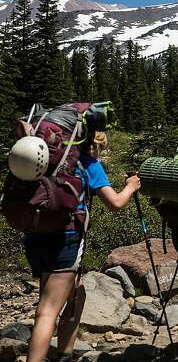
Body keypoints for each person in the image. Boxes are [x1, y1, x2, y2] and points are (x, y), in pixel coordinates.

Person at [26, 133, 141, 362]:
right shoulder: (88, 163)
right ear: (94, 145)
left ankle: (65, 354)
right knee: (47, 312)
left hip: (35, 234)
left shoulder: (48, 158)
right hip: (66, 238)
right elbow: (116, 203)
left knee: (75, 293)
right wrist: (131, 186)